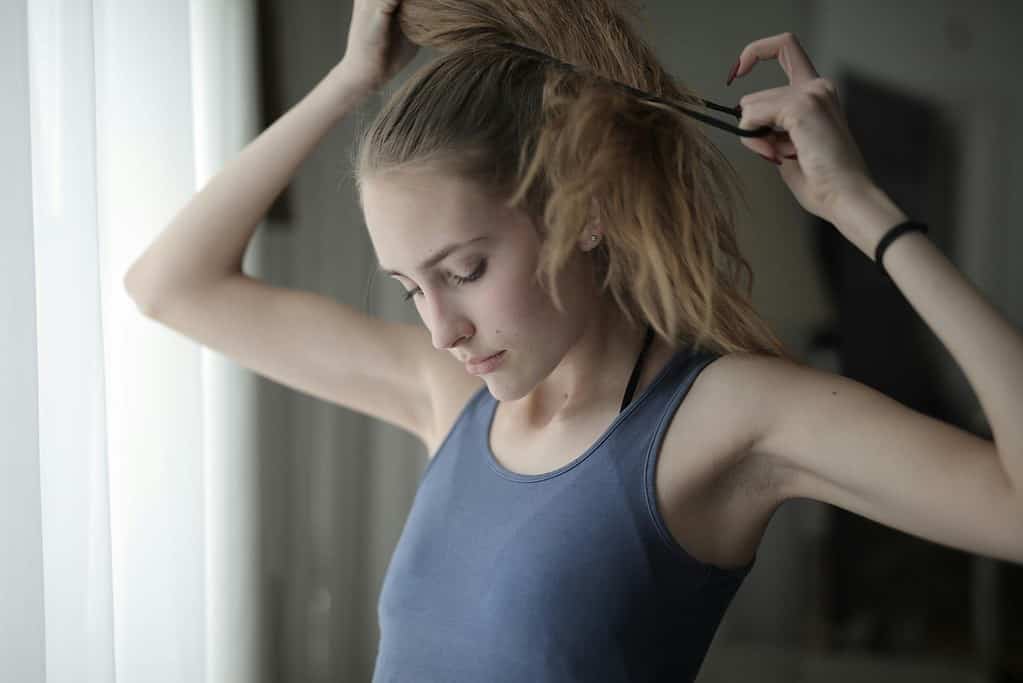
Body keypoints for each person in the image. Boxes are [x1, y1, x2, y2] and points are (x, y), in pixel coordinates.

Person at [123, 0, 1023, 681]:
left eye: (465, 269)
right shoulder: (455, 402)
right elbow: (170, 286)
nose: (439, 329)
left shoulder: (725, 418)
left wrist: (859, 210)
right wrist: (351, 77)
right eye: (410, 287)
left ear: (583, 215)